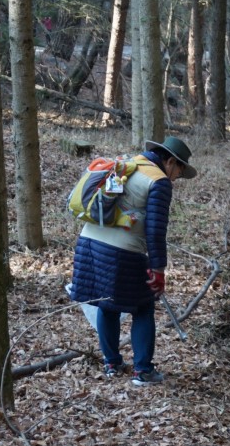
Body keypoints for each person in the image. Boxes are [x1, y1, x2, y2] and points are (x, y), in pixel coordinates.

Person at [70, 136, 197, 385]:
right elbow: (155, 230)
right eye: (178, 172)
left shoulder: (128, 163)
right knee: (143, 306)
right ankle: (143, 371)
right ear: (170, 161)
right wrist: (158, 269)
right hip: (122, 251)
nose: (175, 179)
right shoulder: (159, 182)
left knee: (106, 303)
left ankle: (112, 364)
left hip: (88, 242)